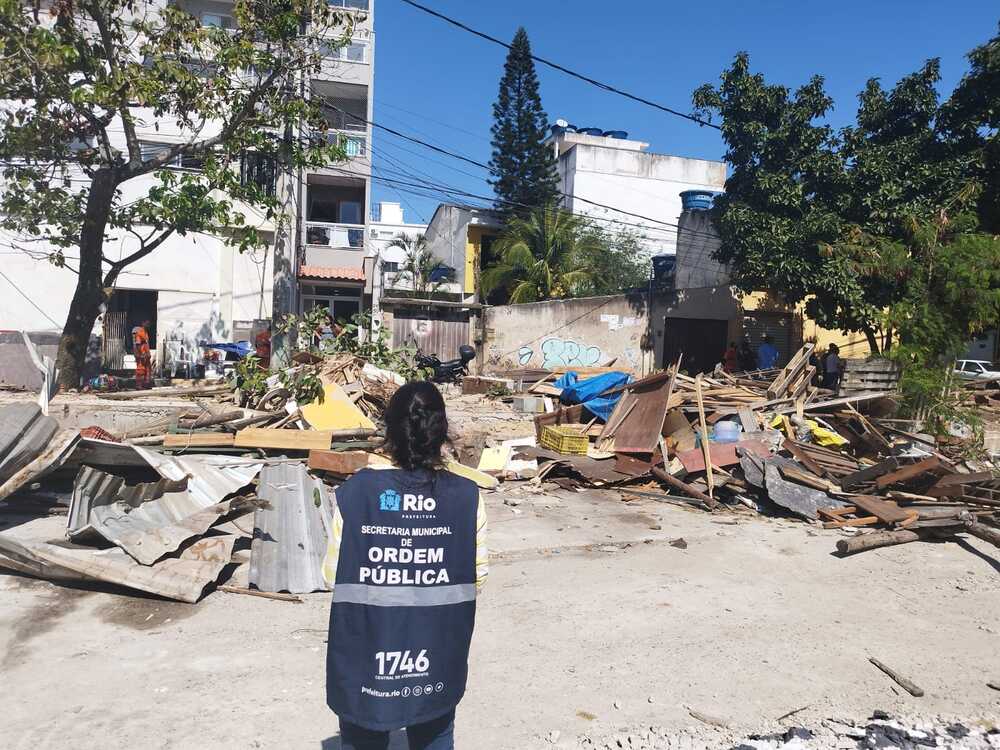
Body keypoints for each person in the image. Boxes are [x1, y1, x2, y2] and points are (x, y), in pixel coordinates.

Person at [323, 381, 488, 750]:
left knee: (363, 735)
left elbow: (332, 574)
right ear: (442, 431)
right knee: (435, 734)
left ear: (390, 429)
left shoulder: (357, 493)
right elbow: (479, 576)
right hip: (437, 653)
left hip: (366, 652)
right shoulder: (466, 496)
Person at [131, 319, 152, 389]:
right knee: (140, 370)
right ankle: (138, 385)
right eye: (147, 323)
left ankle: (146, 384)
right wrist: (141, 354)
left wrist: (148, 353)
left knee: (148, 369)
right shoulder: (140, 332)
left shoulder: (146, 332)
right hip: (141, 354)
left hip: (146, 354)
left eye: (149, 324)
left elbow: (146, 344)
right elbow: (138, 344)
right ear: (143, 323)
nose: (148, 325)